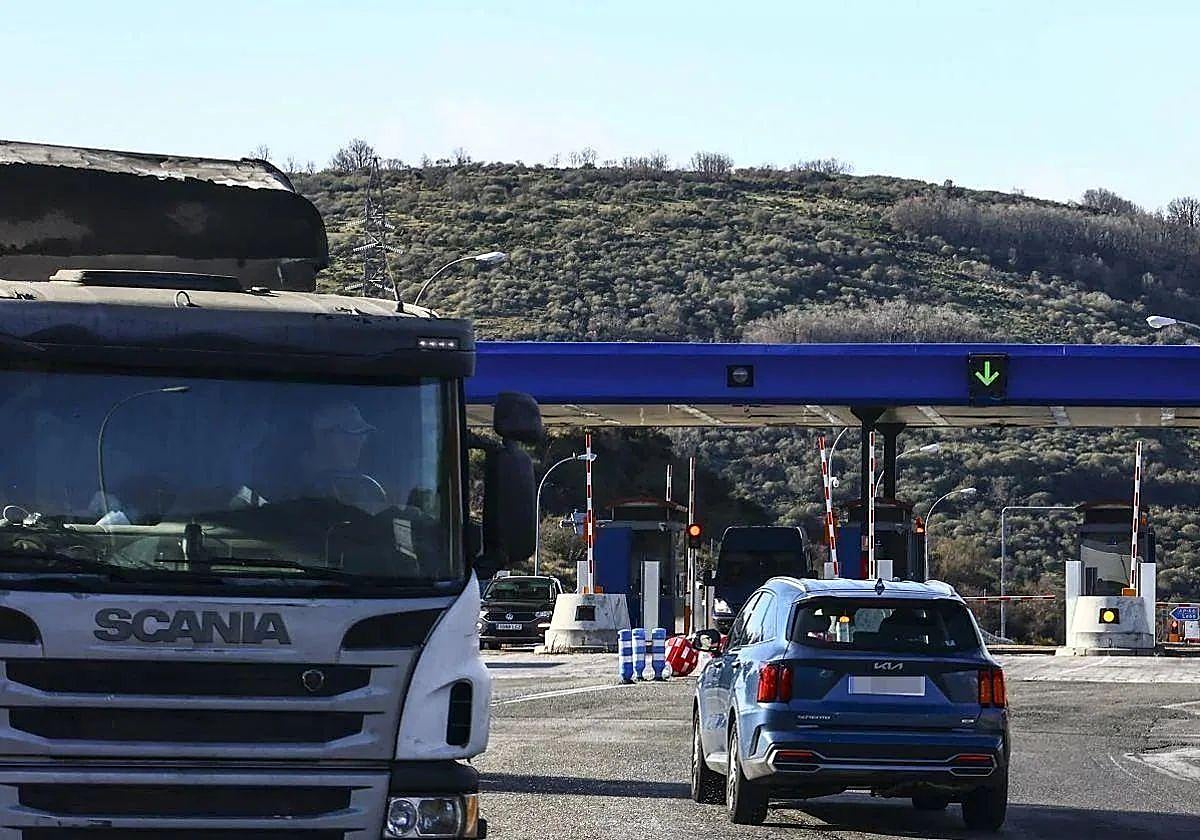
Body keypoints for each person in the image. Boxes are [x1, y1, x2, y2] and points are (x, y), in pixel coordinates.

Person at [297, 401, 387, 511]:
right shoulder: (285, 484)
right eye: (348, 433)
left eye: (363, 435)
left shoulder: (368, 489)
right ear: (321, 437)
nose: (358, 443)